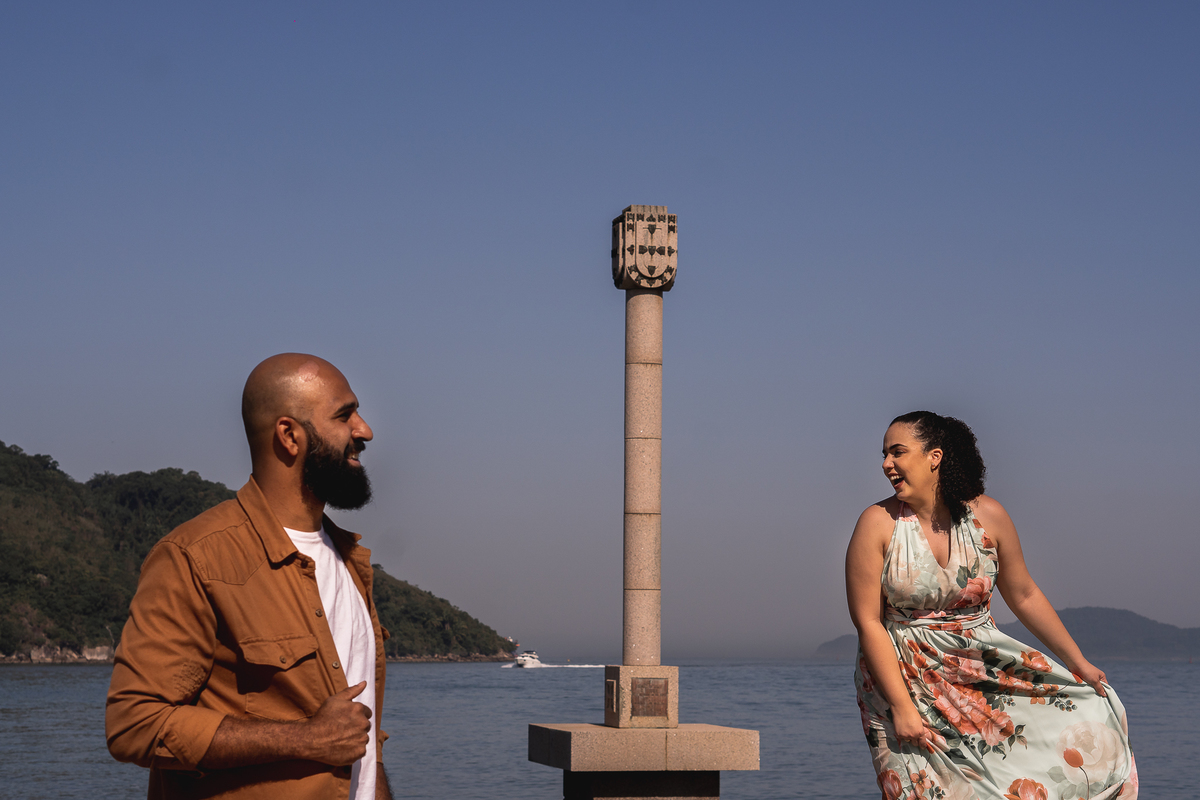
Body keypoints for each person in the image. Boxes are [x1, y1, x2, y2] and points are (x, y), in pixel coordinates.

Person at [107, 353, 393, 799]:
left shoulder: (350, 561)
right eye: (344, 415)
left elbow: (360, 746)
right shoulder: (195, 558)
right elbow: (135, 723)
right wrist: (305, 739)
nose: (364, 430)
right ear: (289, 436)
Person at [846, 411, 1137, 800]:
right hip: (899, 679)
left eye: (897, 452)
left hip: (977, 671)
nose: (886, 464)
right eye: (884, 455)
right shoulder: (877, 523)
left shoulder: (989, 517)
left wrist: (1077, 660)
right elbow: (868, 622)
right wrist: (901, 707)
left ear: (935, 457)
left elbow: (1024, 594)